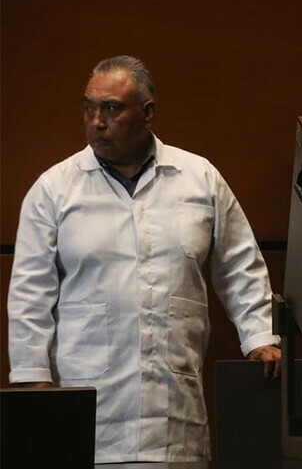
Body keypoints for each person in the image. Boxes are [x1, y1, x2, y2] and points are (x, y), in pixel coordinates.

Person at [7, 55, 281, 463]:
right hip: (87, 412)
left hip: (173, 414)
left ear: (147, 112)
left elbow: (240, 265)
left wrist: (259, 337)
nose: (97, 122)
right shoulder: (54, 189)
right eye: (89, 108)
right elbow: (30, 296)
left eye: (111, 109)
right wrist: (33, 382)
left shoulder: (198, 178)